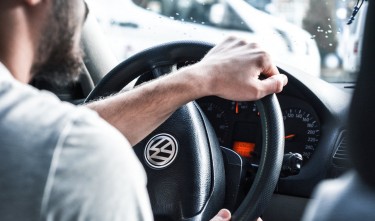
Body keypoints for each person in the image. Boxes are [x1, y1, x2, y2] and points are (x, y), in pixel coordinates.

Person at [0, 0, 287, 220]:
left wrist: (201, 78)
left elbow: (43, 139)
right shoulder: (80, 158)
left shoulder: (57, 148)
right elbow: (61, 147)